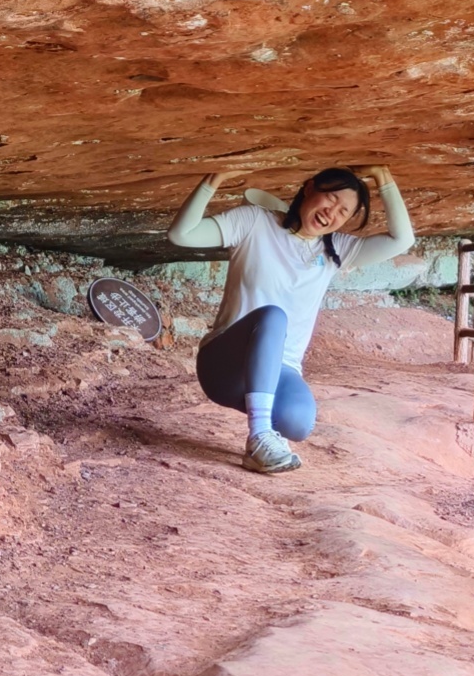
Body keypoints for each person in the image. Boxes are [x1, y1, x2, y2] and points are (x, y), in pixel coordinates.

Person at [167, 165, 415, 473]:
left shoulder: (338, 249)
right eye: (331, 198)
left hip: (281, 370)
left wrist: (383, 177)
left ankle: (263, 435)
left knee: (298, 423)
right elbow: (181, 234)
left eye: (344, 211)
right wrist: (211, 181)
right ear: (309, 188)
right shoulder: (254, 222)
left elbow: (402, 240)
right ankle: (259, 436)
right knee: (273, 318)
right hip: (224, 366)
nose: (332, 212)